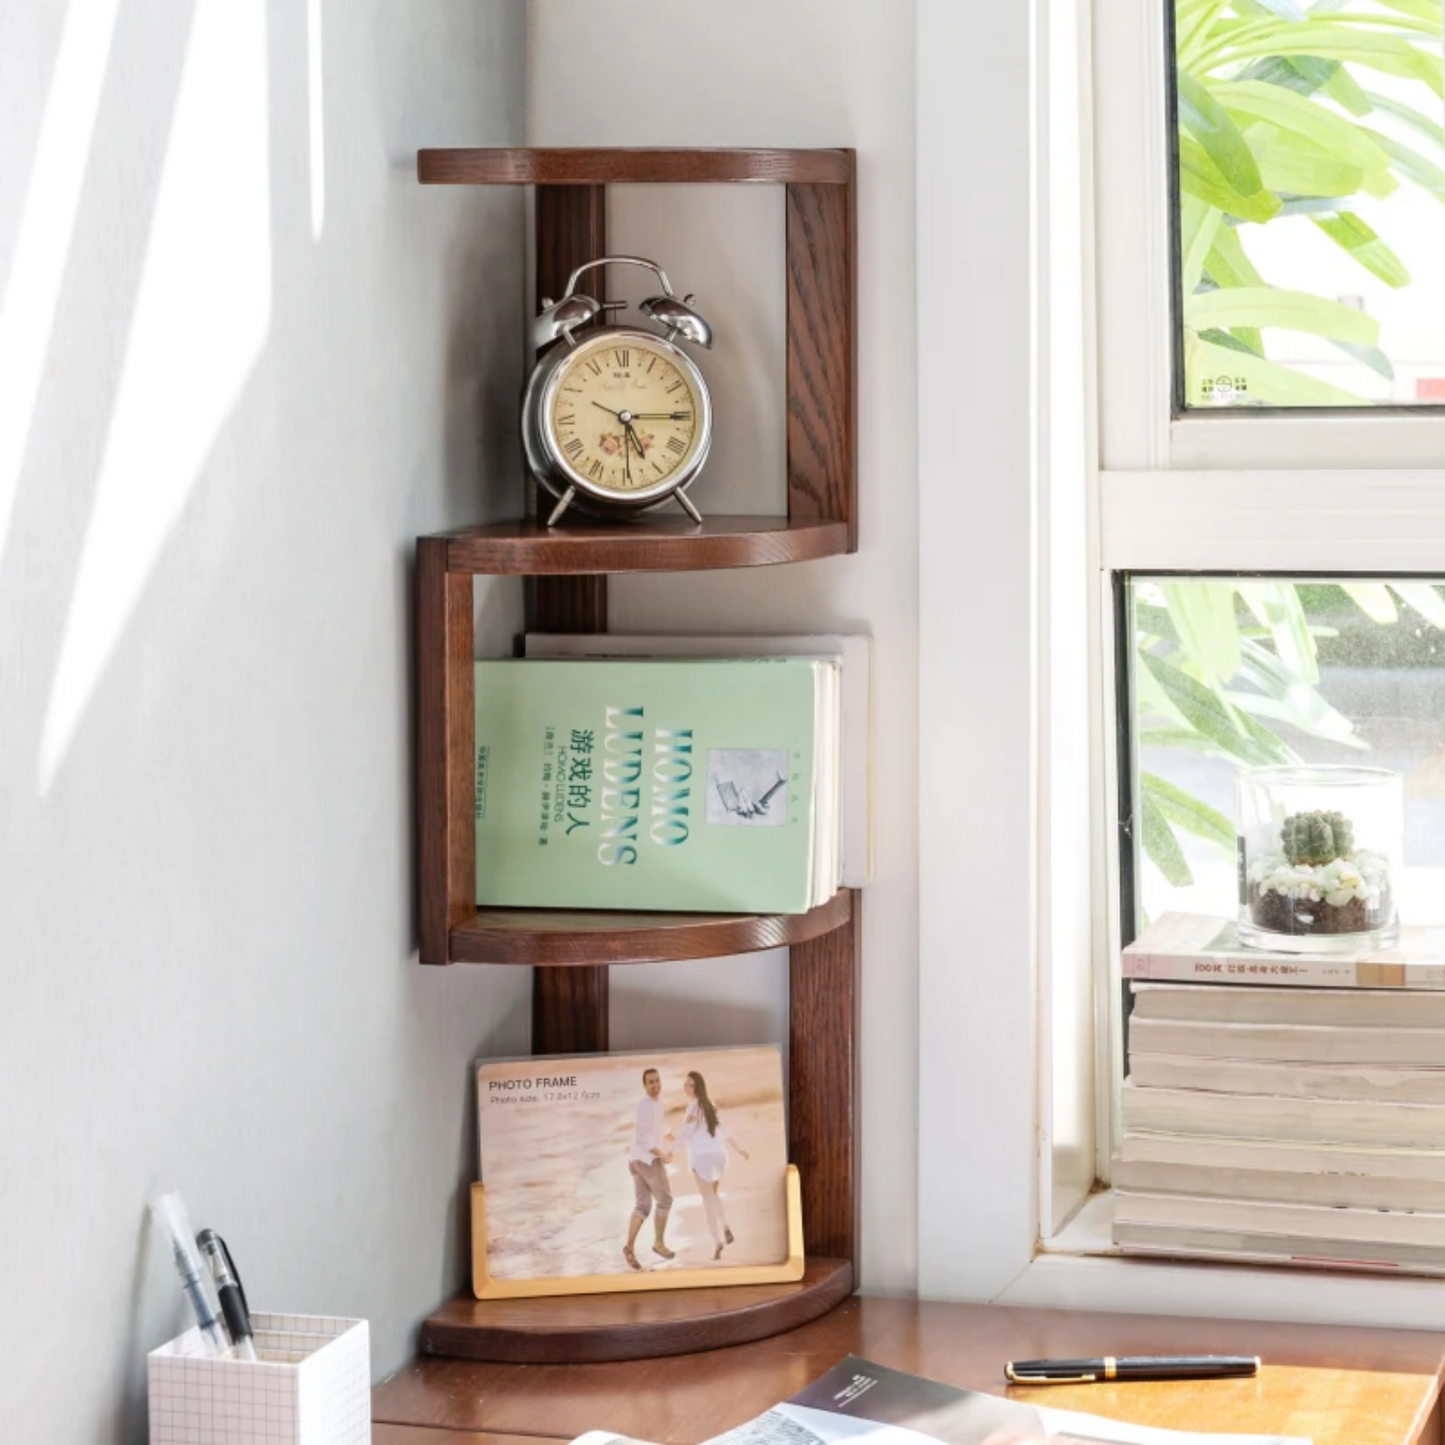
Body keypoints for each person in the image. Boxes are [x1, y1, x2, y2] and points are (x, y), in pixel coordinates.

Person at [678, 1070, 749, 1260]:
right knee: (714, 1194)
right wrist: (740, 1150)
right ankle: (725, 1225)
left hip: (701, 1158)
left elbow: (684, 1134)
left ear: (697, 1087)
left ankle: (717, 1240)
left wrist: (670, 1153)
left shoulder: (692, 1108)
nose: (686, 1087)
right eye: (685, 1084)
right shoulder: (710, 1106)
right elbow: (724, 1130)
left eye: (690, 1085)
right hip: (719, 1157)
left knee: (707, 1199)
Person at [623, 1067, 674, 1270]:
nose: (655, 1085)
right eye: (650, 1082)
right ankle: (659, 1243)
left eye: (657, 1081)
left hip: (635, 1160)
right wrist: (662, 1155)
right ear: (644, 1086)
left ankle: (628, 1248)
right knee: (665, 1200)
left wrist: (674, 1138)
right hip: (647, 1160)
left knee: (642, 1207)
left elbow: (659, 1128)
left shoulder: (657, 1102)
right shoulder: (644, 1105)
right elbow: (644, 1138)